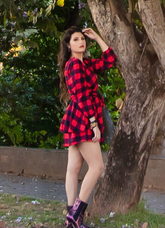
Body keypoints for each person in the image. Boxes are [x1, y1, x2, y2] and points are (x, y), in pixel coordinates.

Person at [58, 25, 115, 228]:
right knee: (97, 166)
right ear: (68, 45)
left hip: (79, 116)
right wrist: (93, 124)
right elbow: (81, 96)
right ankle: (76, 214)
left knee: (73, 168)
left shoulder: (86, 64)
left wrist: (97, 37)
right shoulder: (73, 65)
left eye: (82, 39)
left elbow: (109, 60)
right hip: (82, 116)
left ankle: (72, 218)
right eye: (75, 39)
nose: (80, 42)